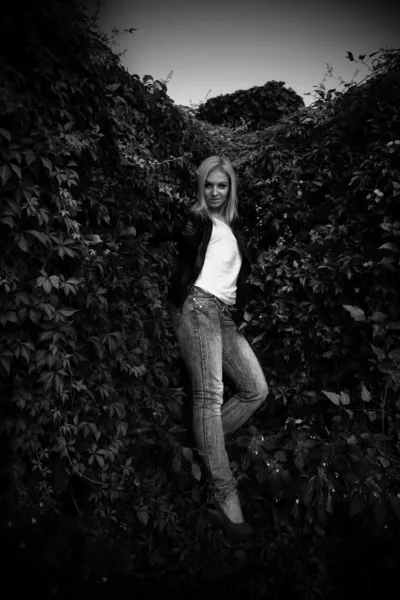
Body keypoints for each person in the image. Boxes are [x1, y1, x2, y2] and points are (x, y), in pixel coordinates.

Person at [156, 156, 269, 542]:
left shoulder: (233, 227)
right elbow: (174, 234)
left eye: (222, 185)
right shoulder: (197, 221)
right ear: (201, 187)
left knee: (256, 389)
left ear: (230, 188)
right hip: (197, 307)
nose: (215, 192)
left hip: (223, 316)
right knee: (210, 397)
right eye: (209, 185)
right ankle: (227, 497)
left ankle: (201, 441)